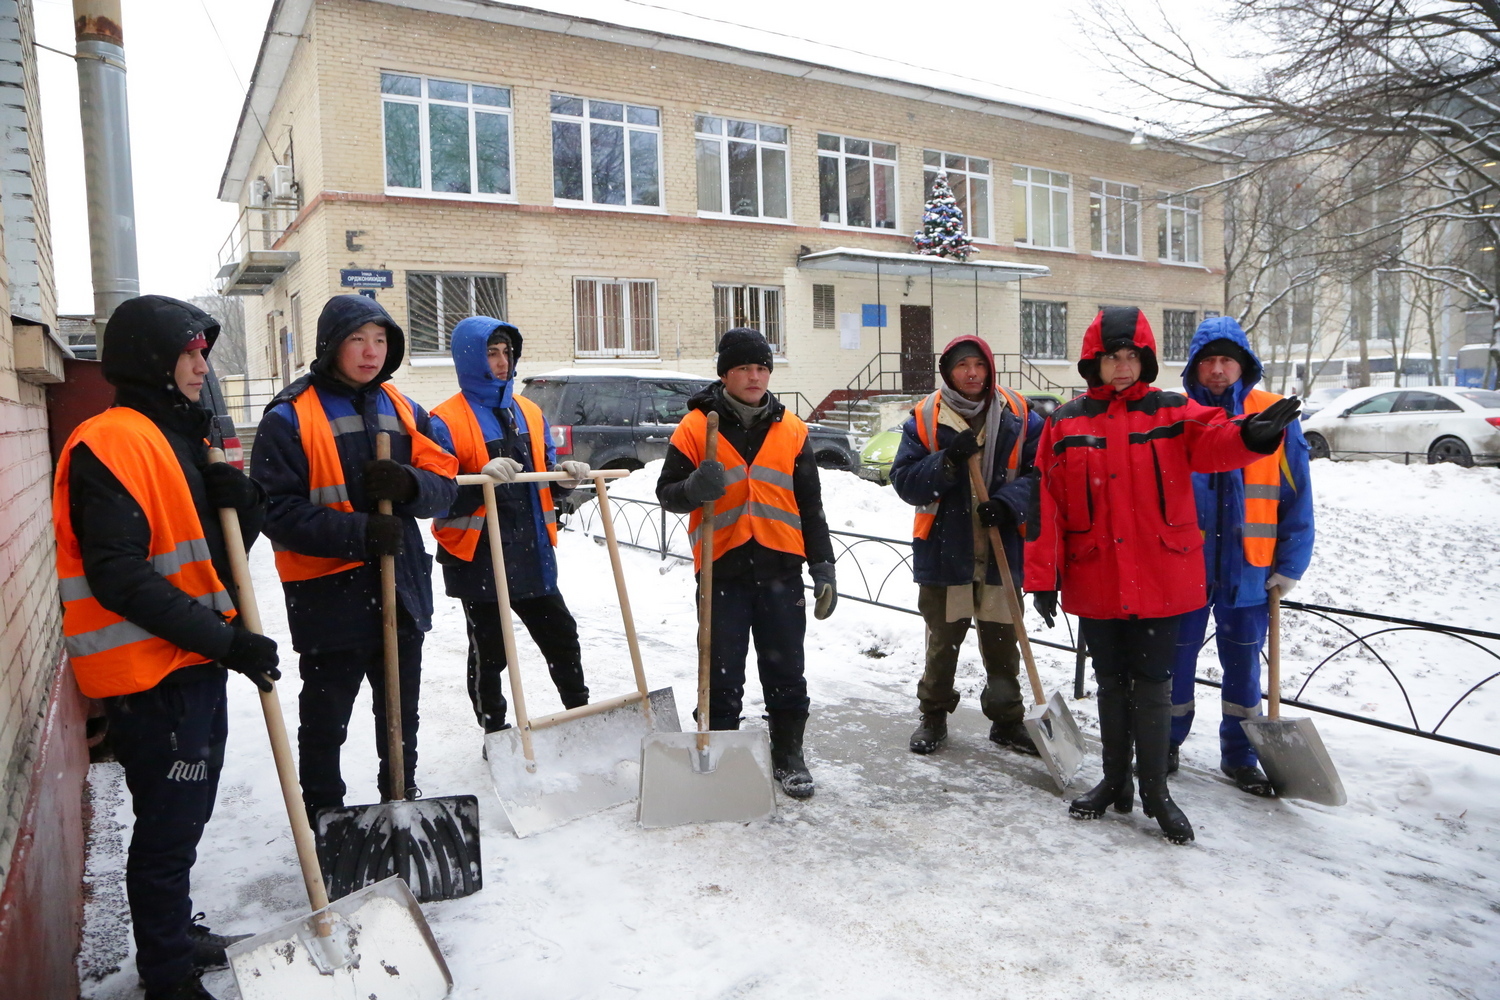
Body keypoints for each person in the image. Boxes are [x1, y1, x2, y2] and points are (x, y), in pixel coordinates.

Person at [54, 295, 278, 1000]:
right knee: (166, 832)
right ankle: (167, 977)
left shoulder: (177, 438)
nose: (199, 364)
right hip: (153, 675)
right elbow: (118, 575)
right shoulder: (114, 440)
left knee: (184, 821)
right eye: (189, 351)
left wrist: (243, 504)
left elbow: (218, 556)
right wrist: (227, 641)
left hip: (191, 662)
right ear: (154, 359)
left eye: (202, 352)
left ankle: (175, 935)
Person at [1025, 307, 1300, 844]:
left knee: (1153, 686)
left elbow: (1218, 442)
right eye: (1111, 357)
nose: (1121, 367)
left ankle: (1154, 790)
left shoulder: (1174, 411)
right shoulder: (1067, 420)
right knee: (1109, 685)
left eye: (1130, 356)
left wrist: (1255, 438)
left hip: (1161, 579)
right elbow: (1045, 503)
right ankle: (1112, 781)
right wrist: (1042, 577)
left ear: (1144, 360)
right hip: (1097, 576)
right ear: (1094, 363)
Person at [252, 295, 457, 821]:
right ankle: (324, 815)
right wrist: (360, 532)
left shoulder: (408, 411)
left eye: (380, 340)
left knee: (399, 716)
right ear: (332, 345)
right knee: (326, 720)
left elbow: (445, 486)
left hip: (401, 591)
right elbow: (276, 512)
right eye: (357, 340)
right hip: (329, 597)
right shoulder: (289, 416)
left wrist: (409, 483)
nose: (371, 353)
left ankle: (399, 802)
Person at [655, 327, 837, 798]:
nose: (755, 376)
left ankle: (789, 754)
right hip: (723, 571)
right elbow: (667, 495)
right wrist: (694, 488)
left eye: (761, 368)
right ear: (725, 374)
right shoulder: (697, 427)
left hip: (781, 569)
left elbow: (810, 505)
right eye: (743, 368)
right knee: (720, 669)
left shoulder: (792, 430)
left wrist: (823, 567)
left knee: (786, 668)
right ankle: (720, 752)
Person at [1171, 316, 1315, 795]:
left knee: (1243, 669)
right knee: (1175, 662)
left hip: (1250, 568)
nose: (1217, 370)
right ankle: (1165, 744)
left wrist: (1290, 564)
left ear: (1243, 365)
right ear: (1195, 366)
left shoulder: (1272, 413)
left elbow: (1297, 496)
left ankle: (1240, 756)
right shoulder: (1175, 415)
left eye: (1226, 360)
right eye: (1208, 360)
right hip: (1184, 567)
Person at [428, 317, 593, 734]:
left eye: (506, 352)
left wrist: (563, 478)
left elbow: (545, 478)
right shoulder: (444, 420)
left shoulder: (530, 412)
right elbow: (435, 493)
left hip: (531, 548)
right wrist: (477, 478)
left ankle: (581, 716)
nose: (502, 362)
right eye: (491, 353)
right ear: (471, 358)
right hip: (479, 554)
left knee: (561, 636)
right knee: (490, 651)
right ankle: (495, 731)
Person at [889, 335, 1045, 756]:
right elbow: (904, 481)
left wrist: (1008, 505)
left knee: (1002, 642)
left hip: (1000, 551)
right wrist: (949, 461)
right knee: (943, 642)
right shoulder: (926, 417)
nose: (971, 373)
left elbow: (1043, 474)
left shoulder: (1019, 415)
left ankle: (1007, 719)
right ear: (948, 372)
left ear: (990, 368)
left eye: (978, 364)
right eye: (962, 366)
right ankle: (934, 715)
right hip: (946, 551)